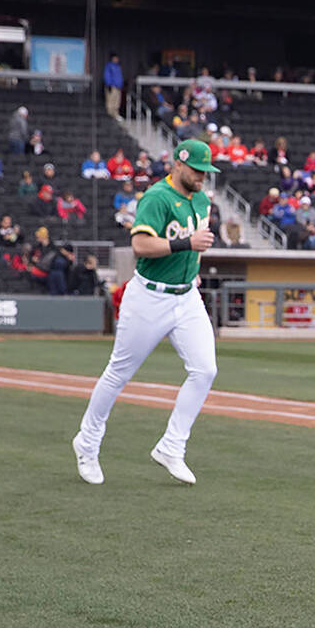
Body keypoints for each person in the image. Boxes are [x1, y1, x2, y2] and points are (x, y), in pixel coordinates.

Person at [71, 139, 221, 486]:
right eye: (198, 170)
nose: (202, 177)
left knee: (205, 369)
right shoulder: (156, 197)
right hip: (149, 297)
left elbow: (195, 246)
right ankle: (87, 442)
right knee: (119, 373)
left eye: (206, 171)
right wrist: (186, 244)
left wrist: (191, 263)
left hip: (186, 296)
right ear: (179, 165)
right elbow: (140, 245)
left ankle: (172, 446)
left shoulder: (201, 199)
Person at [103, 52, 124, 118]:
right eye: (115, 58)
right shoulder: (109, 66)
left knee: (117, 101)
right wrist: (108, 84)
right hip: (112, 86)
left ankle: (115, 114)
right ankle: (110, 114)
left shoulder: (118, 66)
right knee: (111, 101)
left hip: (118, 87)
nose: (117, 59)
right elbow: (107, 75)